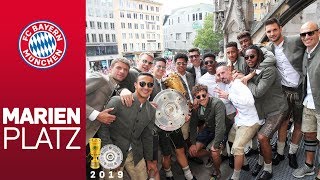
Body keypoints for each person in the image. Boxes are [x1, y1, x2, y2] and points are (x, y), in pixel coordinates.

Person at [97, 72, 156, 180]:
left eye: (150, 85)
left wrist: (149, 160)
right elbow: (103, 127)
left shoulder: (151, 110)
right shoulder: (117, 101)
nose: (146, 87)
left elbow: (148, 136)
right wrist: (111, 153)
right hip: (113, 151)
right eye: (142, 84)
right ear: (135, 85)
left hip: (135, 154)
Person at [264, 17, 305, 169]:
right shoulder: (269, 49)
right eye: (269, 31)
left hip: (300, 89)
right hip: (283, 91)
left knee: (299, 122)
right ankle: (280, 152)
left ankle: (292, 152)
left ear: (281, 28)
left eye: (275, 29)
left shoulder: (295, 40)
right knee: (283, 122)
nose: (272, 33)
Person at [243, 45, 288, 180]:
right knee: (261, 138)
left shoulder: (269, 70)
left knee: (262, 137)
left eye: (252, 56)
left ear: (259, 56)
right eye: (246, 57)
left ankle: (268, 169)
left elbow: (258, 92)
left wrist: (246, 80)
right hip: (261, 112)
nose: (249, 59)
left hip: (277, 110)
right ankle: (261, 162)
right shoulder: (250, 70)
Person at [86, 58, 136, 179]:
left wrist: (123, 90)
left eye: (125, 70)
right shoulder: (100, 78)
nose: (122, 71)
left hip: (95, 137)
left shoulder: (115, 86)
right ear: (110, 68)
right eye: (118, 68)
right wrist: (96, 115)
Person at [151, 57, 197, 180]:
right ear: (153, 67)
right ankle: (169, 175)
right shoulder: (148, 83)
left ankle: (189, 176)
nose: (161, 69)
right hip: (158, 126)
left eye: (163, 67)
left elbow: (177, 102)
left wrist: (184, 114)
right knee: (166, 154)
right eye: (158, 66)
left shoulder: (168, 82)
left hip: (174, 123)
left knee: (180, 149)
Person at [215, 65, 263, 180]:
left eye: (223, 73)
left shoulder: (237, 84)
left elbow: (250, 101)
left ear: (230, 72)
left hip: (251, 121)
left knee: (237, 148)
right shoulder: (230, 85)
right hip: (240, 119)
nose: (221, 76)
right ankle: (245, 164)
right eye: (219, 74)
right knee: (231, 139)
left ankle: (235, 177)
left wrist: (229, 96)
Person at [292, 21, 320, 179]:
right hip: (308, 103)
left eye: (311, 33)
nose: (307, 36)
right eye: (303, 34)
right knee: (309, 135)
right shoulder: (306, 52)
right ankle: (309, 165)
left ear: (319, 33)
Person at [189, 84, 226, 179]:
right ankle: (210, 154)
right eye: (198, 96)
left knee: (215, 152)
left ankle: (217, 171)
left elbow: (220, 127)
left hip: (220, 130)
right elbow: (193, 126)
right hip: (208, 129)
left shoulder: (217, 103)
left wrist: (216, 145)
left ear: (208, 94)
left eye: (203, 95)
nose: (201, 98)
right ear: (195, 98)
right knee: (193, 152)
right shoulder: (196, 108)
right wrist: (193, 143)